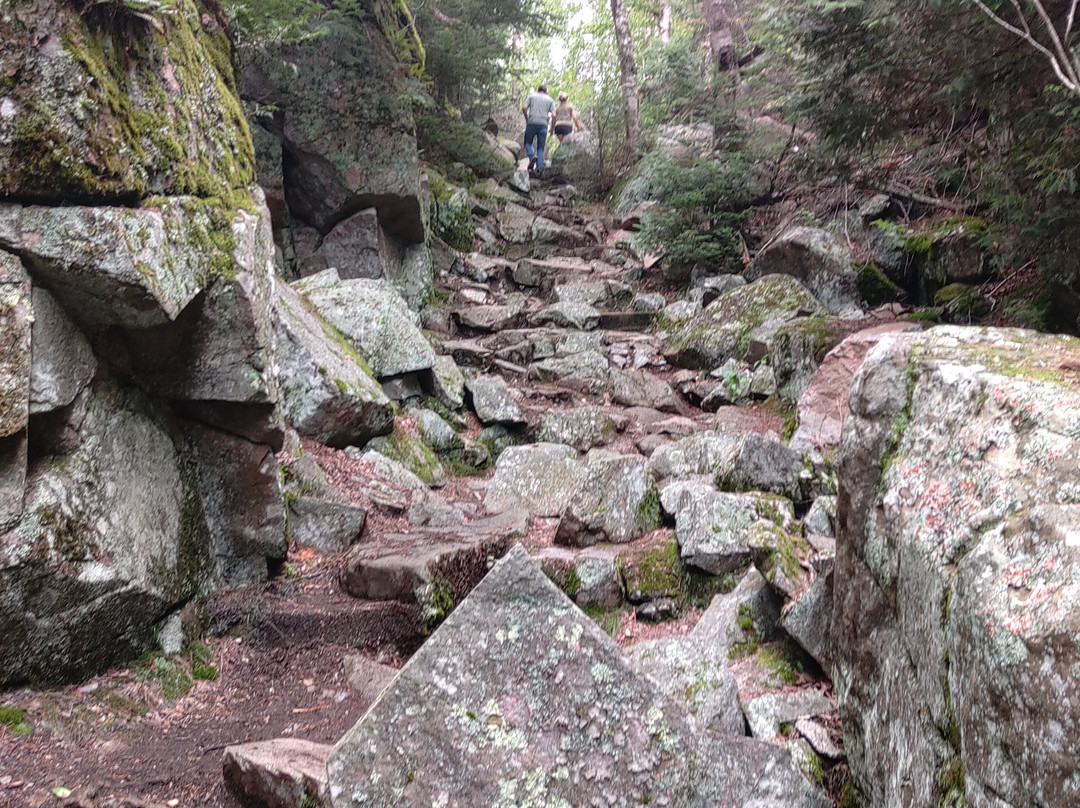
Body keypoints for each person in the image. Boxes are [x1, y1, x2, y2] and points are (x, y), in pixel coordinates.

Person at [522, 84, 555, 171]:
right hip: (543, 124)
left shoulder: (532, 96)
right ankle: (540, 167)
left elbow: (524, 108)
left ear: (538, 90)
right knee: (541, 147)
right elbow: (554, 115)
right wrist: (552, 129)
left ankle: (532, 155)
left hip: (532, 122)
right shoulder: (550, 99)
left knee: (527, 143)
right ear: (546, 92)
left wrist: (527, 119)